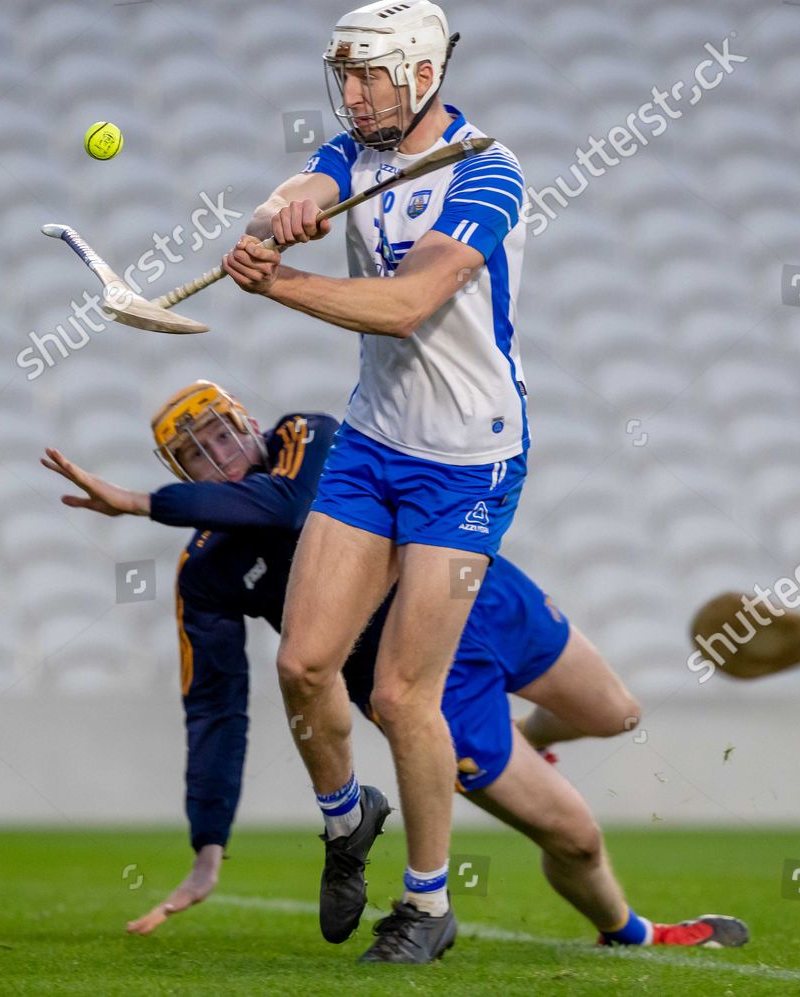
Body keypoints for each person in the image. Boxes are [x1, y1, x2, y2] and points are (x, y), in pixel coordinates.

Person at [42, 381, 748, 958]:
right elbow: (216, 704)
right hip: (426, 687)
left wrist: (137, 502)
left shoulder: (304, 438)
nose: (219, 455)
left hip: (476, 594)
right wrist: (209, 840)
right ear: (186, 479)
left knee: (618, 712)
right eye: (196, 456)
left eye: (221, 432)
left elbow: (289, 509)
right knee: (575, 836)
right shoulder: (207, 569)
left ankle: (528, 734)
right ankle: (630, 930)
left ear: (246, 420)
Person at [218, 0, 529, 961]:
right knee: (302, 665)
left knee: (399, 694)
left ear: (424, 74)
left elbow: (405, 305)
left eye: (372, 78)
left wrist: (280, 283)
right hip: (373, 444)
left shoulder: (487, 171)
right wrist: (280, 217)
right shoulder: (355, 150)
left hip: (468, 462)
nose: (353, 96)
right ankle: (347, 818)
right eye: (344, 77)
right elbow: (295, 190)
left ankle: (429, 904)